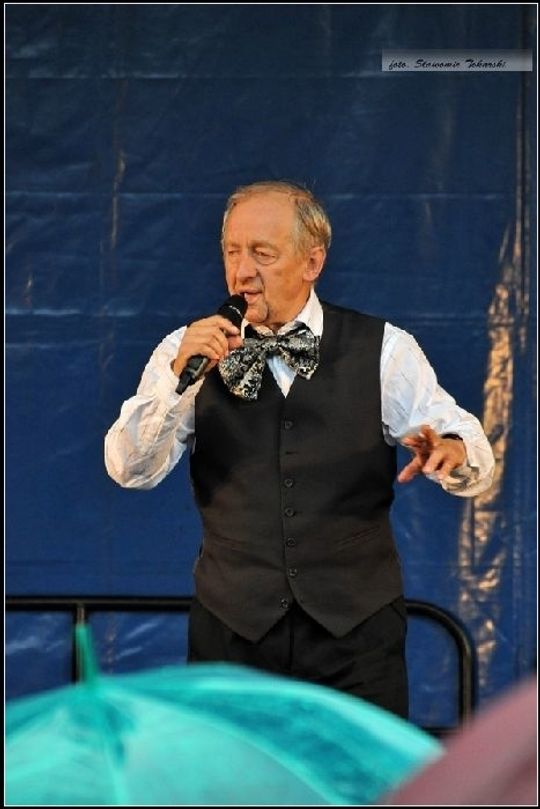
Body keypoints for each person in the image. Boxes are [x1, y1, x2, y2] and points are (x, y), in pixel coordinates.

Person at [105, 180, 494, 719]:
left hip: (356, 636)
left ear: (313, 262)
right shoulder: (183, 350)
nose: (242, 272)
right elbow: (129, 469)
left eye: (262, 254)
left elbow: (467, 444)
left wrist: (451, 451)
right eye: (232, 252)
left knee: (358, 772)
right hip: (233, 632)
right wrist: (177, 383)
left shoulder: (383, 349)